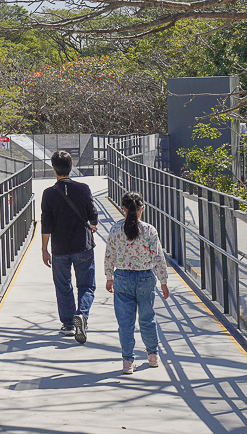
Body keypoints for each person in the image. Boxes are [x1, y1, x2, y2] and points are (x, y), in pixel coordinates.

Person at [105, 191, 170, 374]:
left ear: (123, 209)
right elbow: (158, 257)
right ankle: (153, 356)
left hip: (122, 278)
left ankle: (127, 361)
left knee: (125, 322)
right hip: (145, 278)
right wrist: (163, 281)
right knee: (147, 318)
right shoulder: (149, 230)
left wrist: (109, 276)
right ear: (143, 209)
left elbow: (110, 255)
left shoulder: (116, 230)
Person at [40, 150, 98, 344]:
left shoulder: (48, 193)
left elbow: (46, 223)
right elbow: (92, 214)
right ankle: (81, 314)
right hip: (83, 245)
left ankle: (68, 324)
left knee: (63, 285)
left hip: (60, 248)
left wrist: (44, 249)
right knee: (87, 285)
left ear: (54, 169)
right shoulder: (83, 189)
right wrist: (93, 224)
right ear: (71, 167)